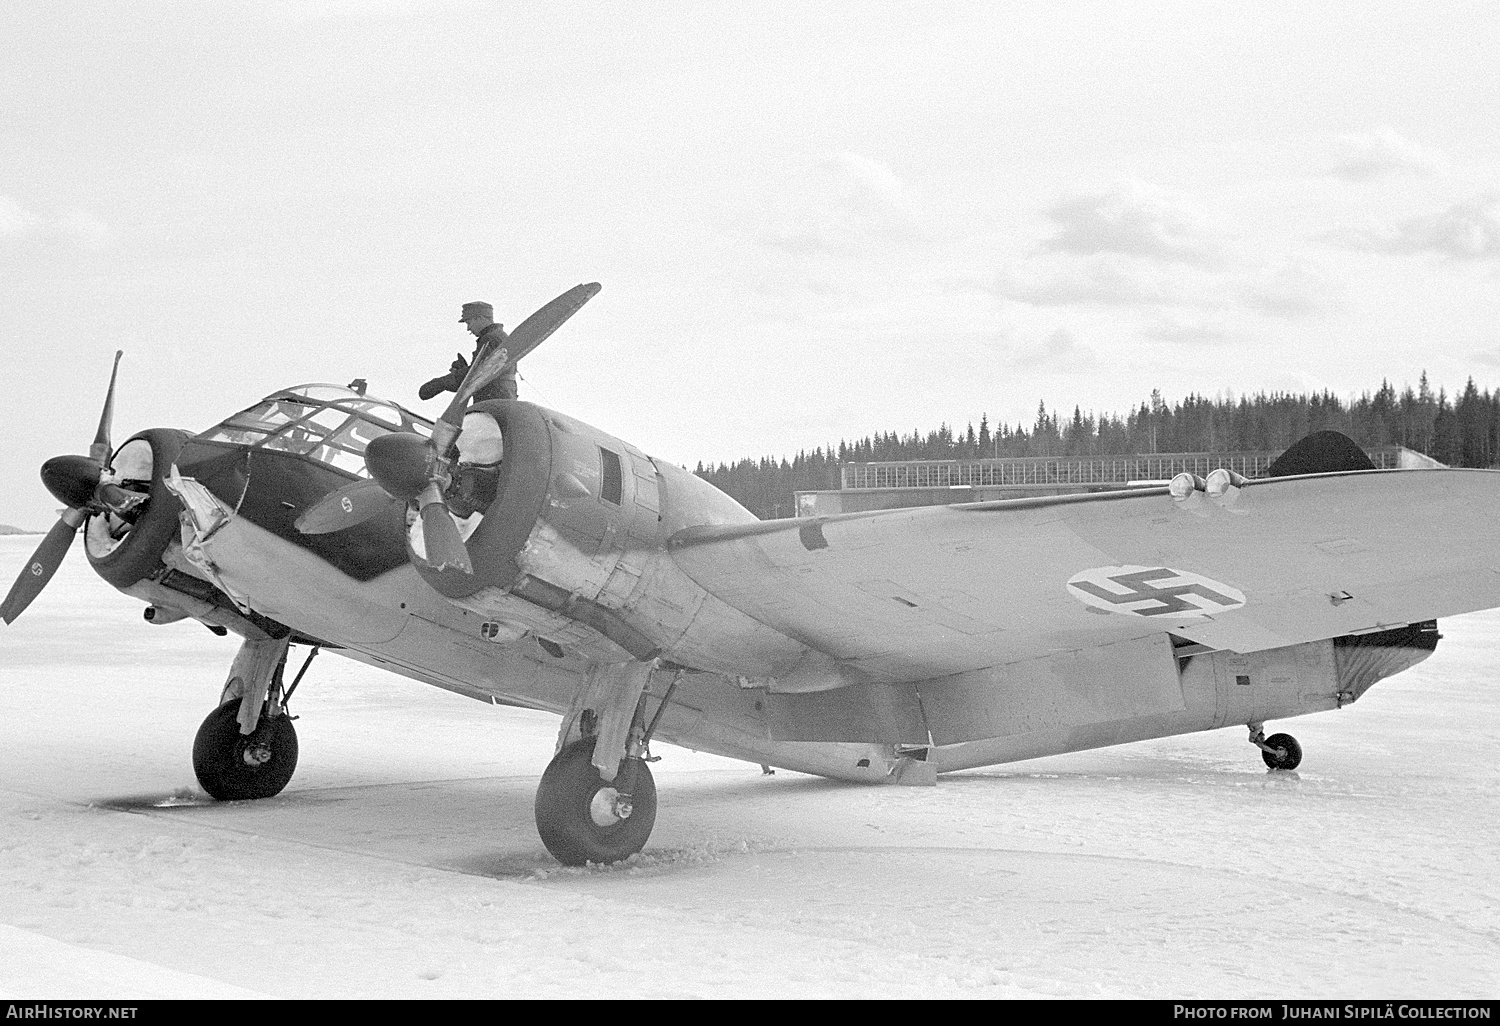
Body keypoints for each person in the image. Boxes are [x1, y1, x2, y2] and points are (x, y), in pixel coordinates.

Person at [418, 301, 518, 402]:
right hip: (505, 396)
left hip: (492, 401)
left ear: (480, 318)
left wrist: (441, 383)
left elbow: (479, 372)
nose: (468, 328)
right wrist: (463, 370)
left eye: (469, 322)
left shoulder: (490, 338)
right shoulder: (500, 336)